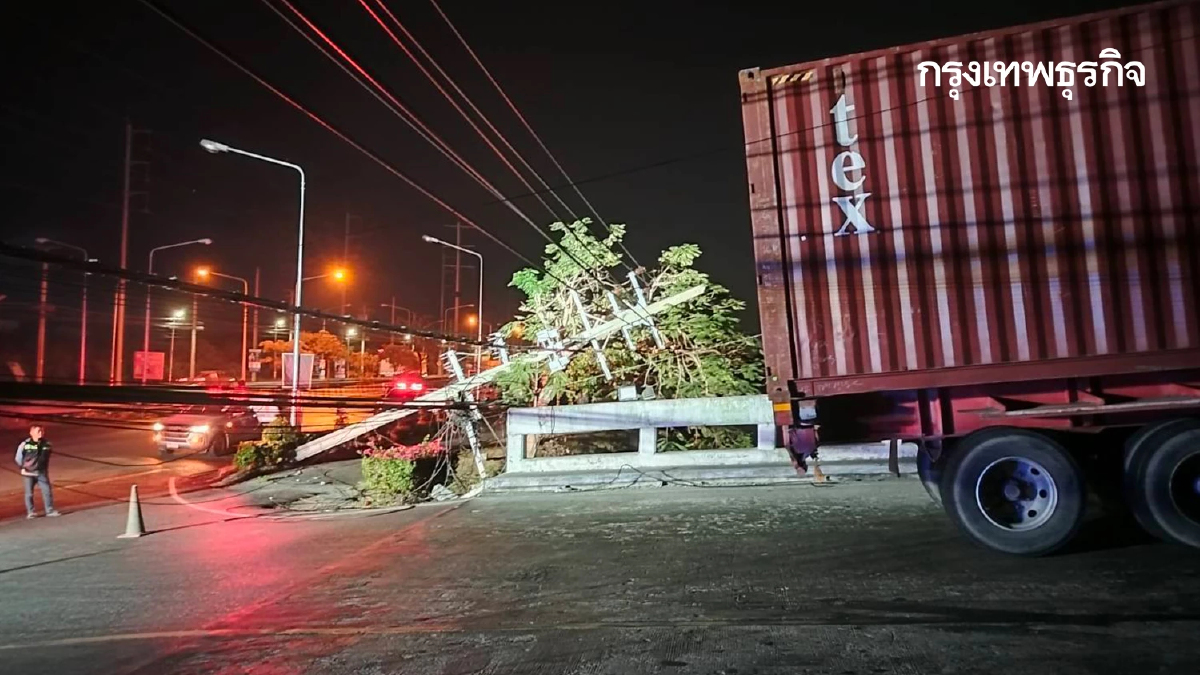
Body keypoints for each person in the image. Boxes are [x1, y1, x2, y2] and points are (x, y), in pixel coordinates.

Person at [15, 424, 59, 519]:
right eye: (38, 431)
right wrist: (22, 468)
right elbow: (18, 458)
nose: (41, 433)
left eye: (42, 431)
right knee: (29, 493)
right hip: (28, 473)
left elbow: (47, 456)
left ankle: (49, 510)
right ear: (31, 433)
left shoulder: (47, 444)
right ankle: (31, 512)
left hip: (41, 473)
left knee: (47, 491)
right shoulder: (25, 444)